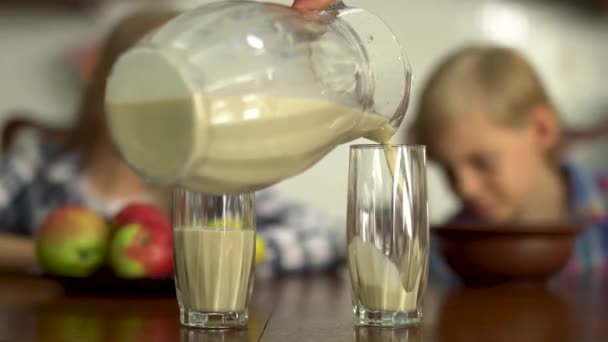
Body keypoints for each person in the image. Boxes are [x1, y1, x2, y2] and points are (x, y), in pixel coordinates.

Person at [0, 3, 343, 274]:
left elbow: (324, 236)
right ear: (100, 71)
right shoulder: (38, 159)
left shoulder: (210, 179)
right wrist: (55, 255)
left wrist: (212, 254)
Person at [410, 45, 608, 279]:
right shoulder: (441, 252)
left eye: (481, 162)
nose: (465, 188)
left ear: (542, 129)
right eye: (448, 169)